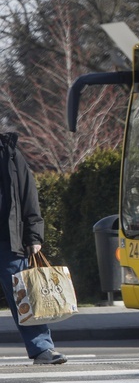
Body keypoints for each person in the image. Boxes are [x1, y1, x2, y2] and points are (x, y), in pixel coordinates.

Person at [0, 133, 67, 365]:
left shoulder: (9, 154)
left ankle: (42, 349)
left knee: (23, 297)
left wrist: (34, 235)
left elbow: (28, 195)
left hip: (8, 240)